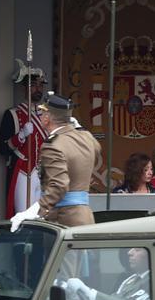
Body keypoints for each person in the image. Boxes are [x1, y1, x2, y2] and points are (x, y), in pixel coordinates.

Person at [11, 93, 100, 229]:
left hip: (64, 221)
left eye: (42, 113)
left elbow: (58, 186)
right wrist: (78, 129)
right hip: (85, 217)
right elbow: (96, 148)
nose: (40, 116)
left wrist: (33, 211)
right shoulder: (86, 137)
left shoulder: (53, 145)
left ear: (47, 119)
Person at [0, 64, 47, 217]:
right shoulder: (13, 114)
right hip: (23, 171)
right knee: (24, 216)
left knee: (44, 218)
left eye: (40, 85)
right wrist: (21, 135)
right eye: (33, 85)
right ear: (24, 88)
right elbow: (2, 148)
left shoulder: (47, 115)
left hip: (45, 172)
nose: (38, 89)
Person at [62, 247, 152, 300]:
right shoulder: (131, 279)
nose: (129, 253)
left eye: (137, 250)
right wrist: (79, 298)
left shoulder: (152, 281)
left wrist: (88, 291)